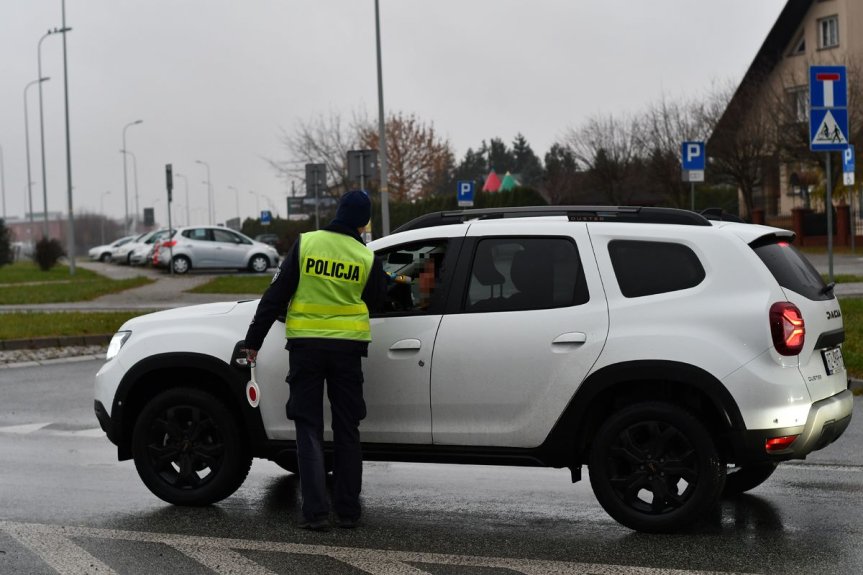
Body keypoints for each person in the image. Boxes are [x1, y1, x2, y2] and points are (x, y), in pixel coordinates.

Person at [243, 190, 386, 531]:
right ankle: (349, 512)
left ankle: (317, 514)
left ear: (337, 212)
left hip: (306, 349)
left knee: (308, 428)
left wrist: (254, 341)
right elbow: (378, 300)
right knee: (347, 428)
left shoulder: (306, 244)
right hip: (348, 351)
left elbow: (276, 294)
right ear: (364, 223)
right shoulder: (365, 257)